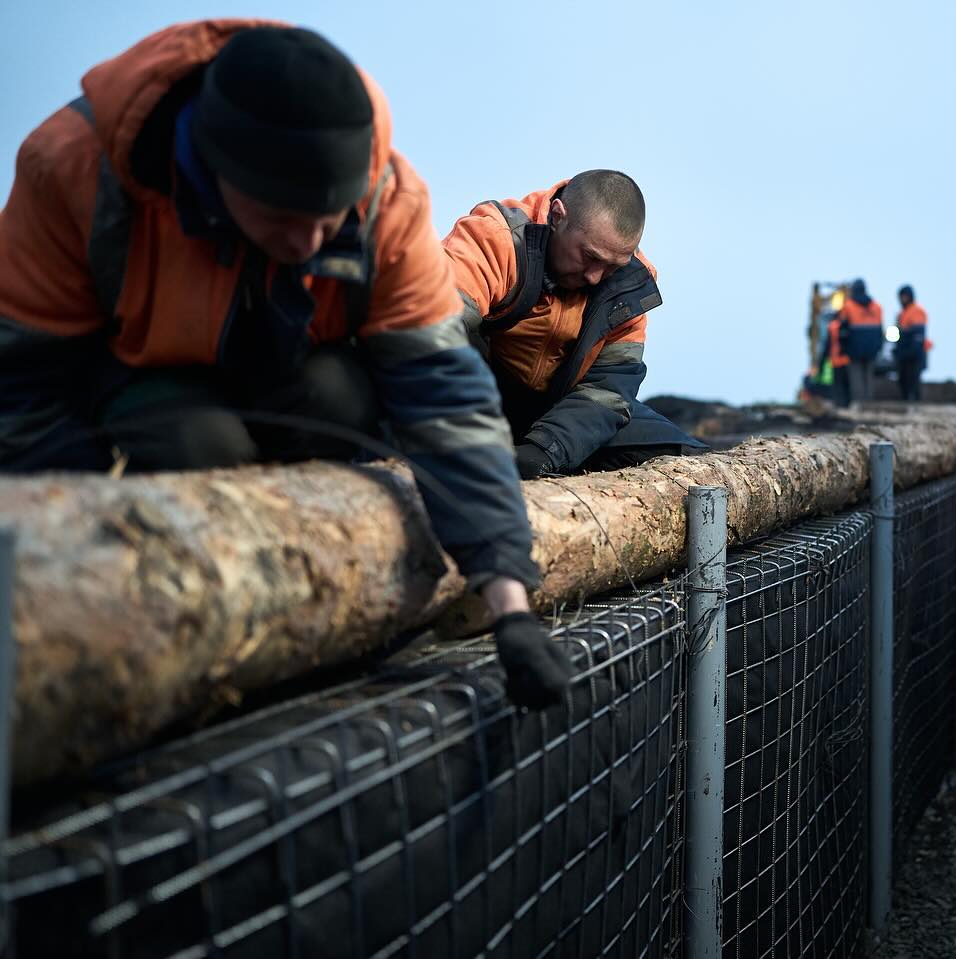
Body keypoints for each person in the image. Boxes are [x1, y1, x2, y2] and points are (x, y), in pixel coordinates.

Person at [0, 21, 573, 708]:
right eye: (281, 216)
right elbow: (22, 388)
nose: (306, 241)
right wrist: (83, 562)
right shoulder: (73, 168)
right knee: (193, 437)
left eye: (327, 219)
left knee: (342, 391)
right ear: (211, 165)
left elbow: (448, 399)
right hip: (148, 395)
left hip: (306, 386)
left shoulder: (388, 198)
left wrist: (510, 601)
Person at [442, 172, 705, 478]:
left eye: (611, 266)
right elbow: (434, 329)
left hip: (559, 409)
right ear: (557, 216)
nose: (595, 276)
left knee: (690, 464)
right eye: (589, 256)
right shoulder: (495, 237)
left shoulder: (631, 285)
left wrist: (543, 452)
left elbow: (608, 391)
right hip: (475, 397)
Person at [836, 279, 883, 403]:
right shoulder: (877, 307)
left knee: (856, 377)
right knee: (869, 376)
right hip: (872, 349)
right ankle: (869, 403)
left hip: (854, 349)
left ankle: (859, 402)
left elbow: (843, 330)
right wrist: (878, 347)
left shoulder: (848, 306)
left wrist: (843, 348)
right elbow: (880, 330)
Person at [895, 285, 928, 402]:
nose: (902, 299)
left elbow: (918, 333)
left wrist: (913, 350)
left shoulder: (917, 311)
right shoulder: (902, 314)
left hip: (914, 352)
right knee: (903, 380)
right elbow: (898, 332)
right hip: (903, 352)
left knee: (913, 381)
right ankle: (907, 403)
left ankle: (916, 404)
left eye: (904, 297)